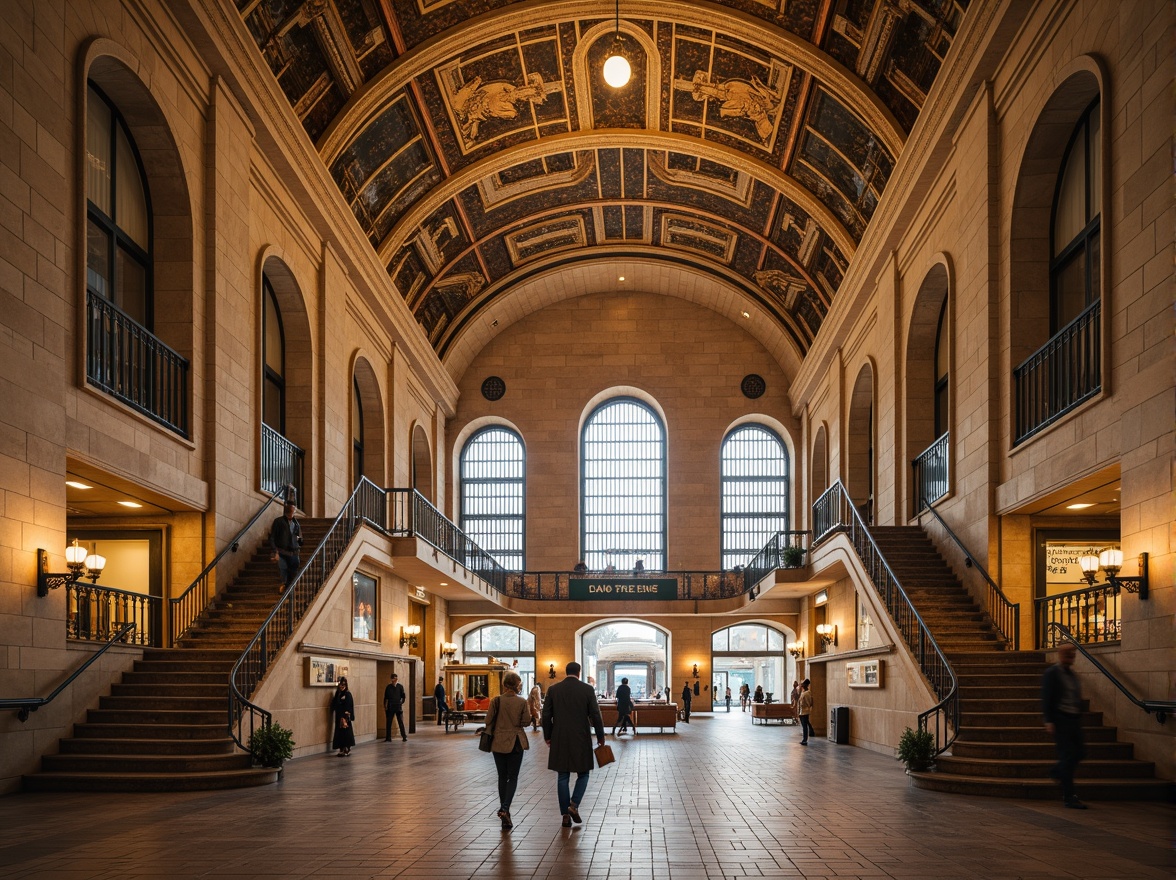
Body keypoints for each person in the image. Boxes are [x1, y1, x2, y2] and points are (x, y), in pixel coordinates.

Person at [541, 661, 605, 828]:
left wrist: (548, 736)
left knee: (563, 776)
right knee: (583, 773)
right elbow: (595, 715)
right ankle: (573, 805)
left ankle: (565, 815)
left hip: (559, 736)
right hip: (581, 736)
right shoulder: (587, 689)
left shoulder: (553, 690)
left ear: (565, 671)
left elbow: (546, 715)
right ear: (579, 672)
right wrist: (600, 736)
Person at [1042, 643, 1087, 808]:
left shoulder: (1072, 674)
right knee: (1067, 757)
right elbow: (1047, 697)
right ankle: (1069, 796)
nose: (1071, 657)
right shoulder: (1052, 673)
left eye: (1073, 654)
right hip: (1061, 720)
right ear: (1060, 655)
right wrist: (1049, 720)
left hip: (1073, 719)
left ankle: (1056, 772)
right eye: (1068, 654)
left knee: (1080, 752)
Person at [485, 671, 531, 830]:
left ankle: (505, 811)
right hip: (515, 743)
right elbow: (526, 722)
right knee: (513, 777)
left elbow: (488, 720)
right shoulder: (522, 702)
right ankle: (505, 809)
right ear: (517, 685)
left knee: (502, 776)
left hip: (498, 742)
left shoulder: (495, 701)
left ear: (504, 685)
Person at [269, 498, 302, 589]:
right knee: (283, 570)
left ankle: (289, 590)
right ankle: (284, 587)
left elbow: (299, 538)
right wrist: (275, 551)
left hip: (294, 552)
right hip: (282, 552)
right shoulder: (278, 521)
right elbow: (272, 538)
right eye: (290, 508)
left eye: (293, 509)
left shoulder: (296, 524)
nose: (292, 510)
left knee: (293, 573)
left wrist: (299, 544)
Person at [330, 677, 355, 756]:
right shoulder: (338, 693)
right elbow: (335, 703)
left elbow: (349, 706)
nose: (342, 686)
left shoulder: (347, 694)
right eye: (341, 684)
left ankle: (346, 748)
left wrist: (345, 716)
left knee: (346, 733)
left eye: (343, 684)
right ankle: (341, 748)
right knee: (339, 733)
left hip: (345, 717)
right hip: (338, 716)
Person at [383, 672, 407, 742]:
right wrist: (385, 706)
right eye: (392, 679)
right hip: (390, 707)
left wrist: (401, 703)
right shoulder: (388, 687)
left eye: (394, 679)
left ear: (396, 679)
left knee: (400, 722)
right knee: (389, 722)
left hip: (398, 707)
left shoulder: (400, 687)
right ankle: (388, 737)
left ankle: (404, 736)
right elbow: (385, 697)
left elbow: (403, 696)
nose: (393, 681)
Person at [797, 679, 814, 745]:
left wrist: (804, 706)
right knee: (805, 724)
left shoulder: (807, 693)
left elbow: (808, 702)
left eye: (803, 684)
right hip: (802, 711)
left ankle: (805, 739)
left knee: (804, 726)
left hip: (805, 711)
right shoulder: (803, 692)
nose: (801, 685)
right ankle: (809, 734)